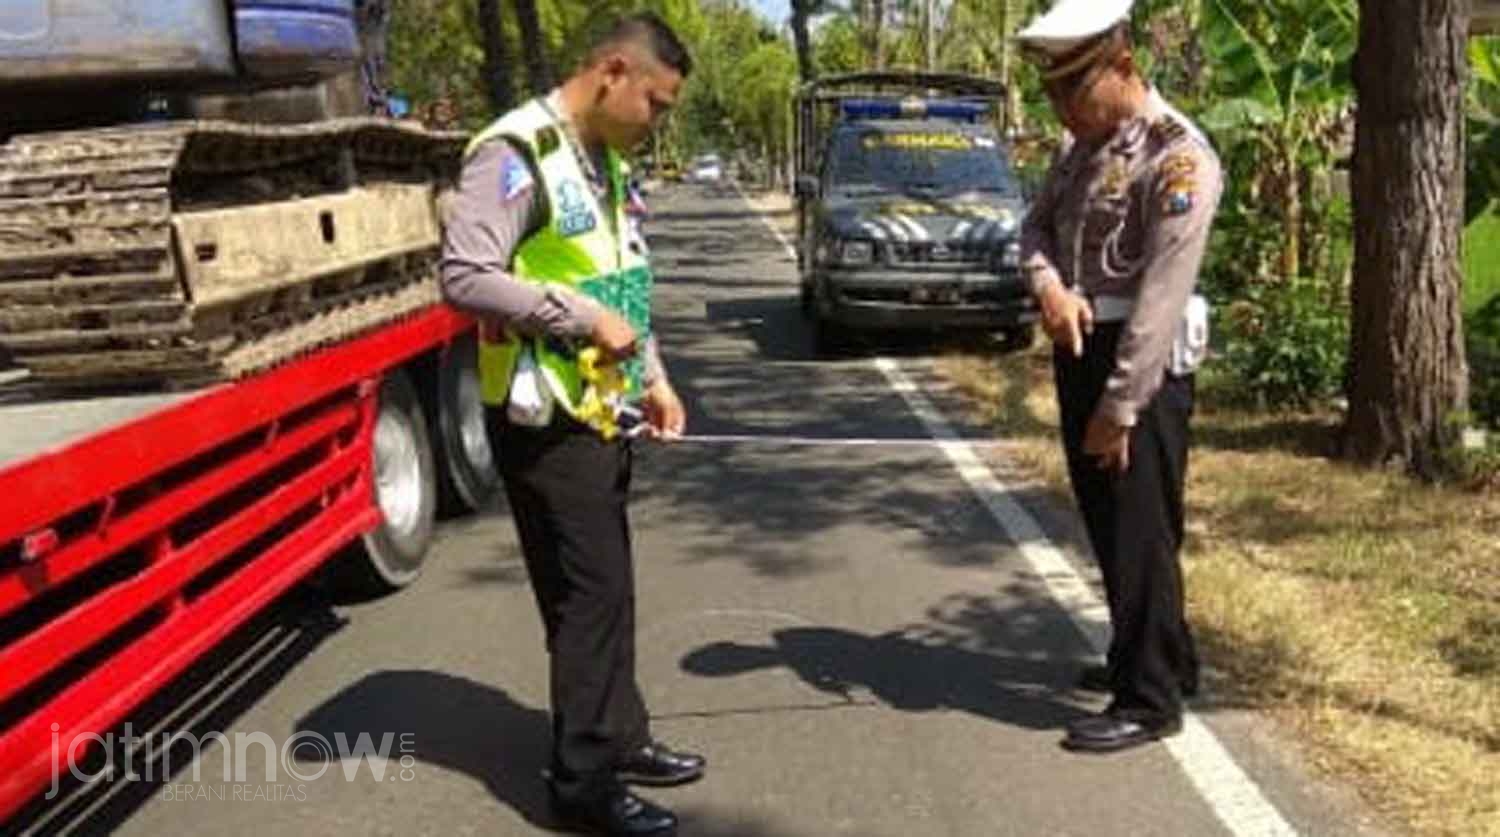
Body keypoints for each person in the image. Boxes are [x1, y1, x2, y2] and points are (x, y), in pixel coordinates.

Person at [439, 13, 699, 835]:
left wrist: (653, 376)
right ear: (613, 71)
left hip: (601, 407)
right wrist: (579, 317)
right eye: (656, 103)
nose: (660, 123)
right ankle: (583, 785)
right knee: (592, 593)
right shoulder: (516, 154)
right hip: (543, 412)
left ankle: (622, 736)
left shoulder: (606, 162)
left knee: (604, 586)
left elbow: (623, 275)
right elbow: (465, 274)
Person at [1015, 0, 1222, 754]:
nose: (1064, 110)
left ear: (1126, 67)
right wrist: (1048, 287)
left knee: (1139, 527)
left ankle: (1150, 697)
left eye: (1076, 91)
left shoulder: (1177, 157)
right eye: (1054, 95)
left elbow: (1161, 298)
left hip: (1143, 363)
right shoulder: (1082, 150)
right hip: (1082, 344)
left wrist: (1121, 405)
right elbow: (1033, 229)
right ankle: (1158, 654)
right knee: (1111, 522)